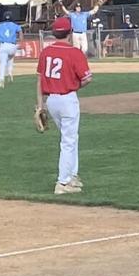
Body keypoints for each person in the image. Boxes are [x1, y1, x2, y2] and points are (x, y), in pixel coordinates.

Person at [36, 16, 92, 194]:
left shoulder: (46, 52)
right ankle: (63, 182)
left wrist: (40, 105)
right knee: (68, 140)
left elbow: (39, 80)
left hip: (51, 101)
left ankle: (72, 176)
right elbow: (87, 78)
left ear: (54, 33)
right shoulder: (74, 52)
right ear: (70, 32)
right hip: (67, 99)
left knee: (71, 137)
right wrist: (73, 86)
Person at [0, 11, 22, 88]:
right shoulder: (15, 25)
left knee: (3, 63)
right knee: (10, 58)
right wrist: (20, 42)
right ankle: (10, 72)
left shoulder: (0, 25)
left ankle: (1, 80)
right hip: (12, 46)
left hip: (3, 45)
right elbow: (20, 32)